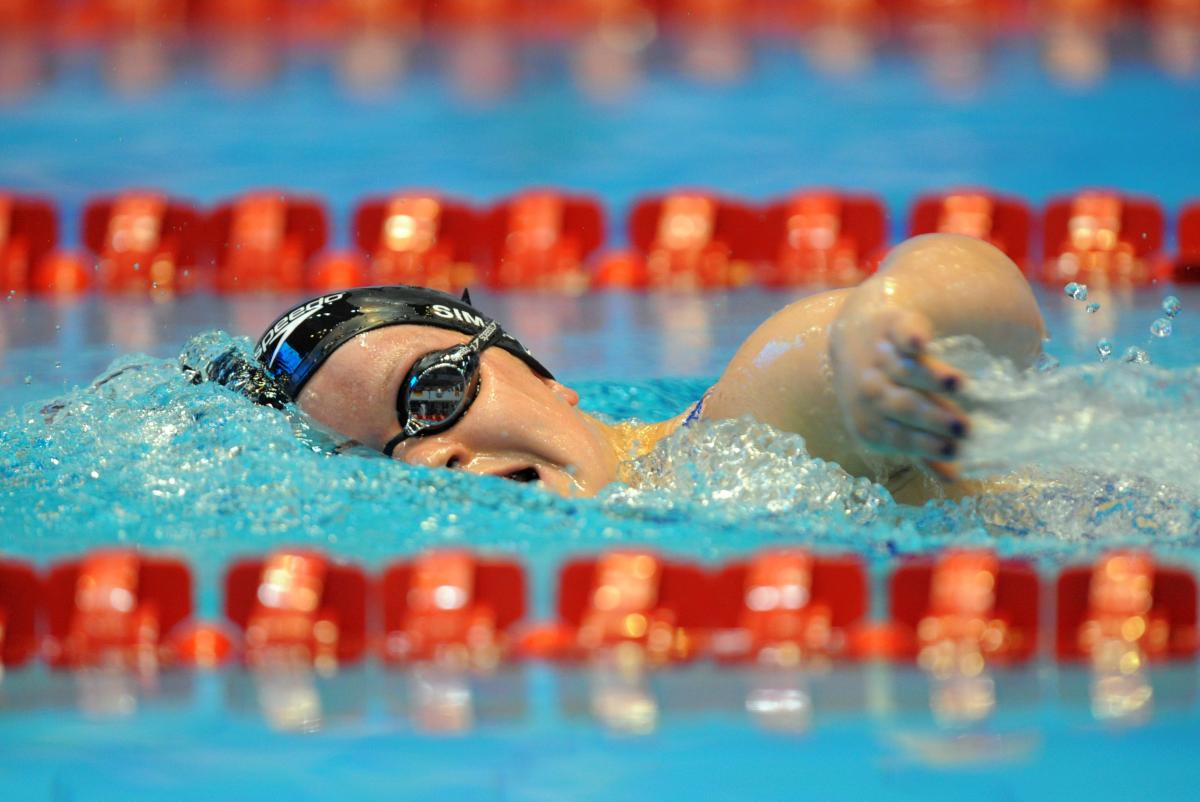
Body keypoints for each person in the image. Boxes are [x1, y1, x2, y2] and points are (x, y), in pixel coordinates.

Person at [240, 233, 1045, 503]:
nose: (427, 456)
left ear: (545, 376)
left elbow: (992, 306)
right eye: (377, 463)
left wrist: (884, 320)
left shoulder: (739, 442)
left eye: (433, 390)